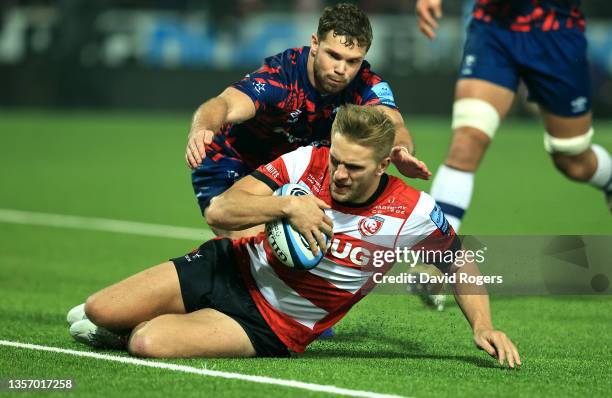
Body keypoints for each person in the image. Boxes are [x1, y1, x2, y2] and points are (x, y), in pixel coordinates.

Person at [67, 105, 521, 368]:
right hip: (230, 265)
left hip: (273, 324)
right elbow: (223, 210)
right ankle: (143, 318)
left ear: (384, 165)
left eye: (354, 167)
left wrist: (483, 325)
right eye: (337, 159)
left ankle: (158, 325)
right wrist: (287, 204)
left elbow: (458, 261)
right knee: (99, 309)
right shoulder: (308, 161)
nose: (338, 174)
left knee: (148, 342)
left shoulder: (414, 213)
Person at [185, 3, 431, 240]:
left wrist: (400, 150)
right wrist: (202, 128)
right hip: (234, 163)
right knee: (258, 249)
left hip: (291, 171)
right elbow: (224, 104)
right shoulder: (282, 77)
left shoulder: (366, 85)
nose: (341, 69)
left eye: (352, 61)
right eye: (333, 55)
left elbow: (395, 125)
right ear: (315, 44)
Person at [415, 0, 612, 232]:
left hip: (556, 33)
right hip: (494, 29)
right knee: (466, 141)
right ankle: (433, 258)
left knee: (572, 158)